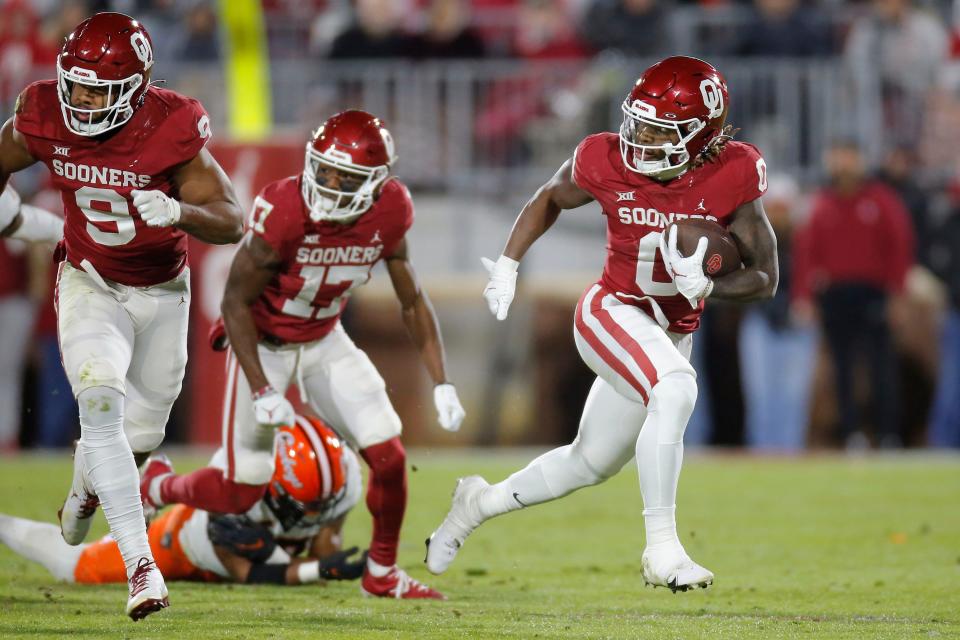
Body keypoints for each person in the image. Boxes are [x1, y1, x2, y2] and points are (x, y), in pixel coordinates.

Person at [426, 56, 777, 592]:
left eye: (661, 131)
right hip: (611, 311)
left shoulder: (733, 170)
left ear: (702, 134)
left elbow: (766, 277)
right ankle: (663, 549)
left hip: (670, 332)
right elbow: (550, 198)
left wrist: (710, 286)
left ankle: (475, 503)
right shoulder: (604, 156)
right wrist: (507, 263)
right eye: (639, 123)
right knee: (677, 388)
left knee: (587, 464)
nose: (642, 139)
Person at [140, 109, 465, 600]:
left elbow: (412, 299)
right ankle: (159, 487)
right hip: (264, 342)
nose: (328, 184)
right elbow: (234, 303)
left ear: (376, 184)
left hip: (324, 339)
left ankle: (382, 572)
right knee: (242, 488)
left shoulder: (391, 209)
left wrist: (441, 380)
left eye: (344, 177)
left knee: (389, 456)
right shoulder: (285, 207)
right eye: (324, 170)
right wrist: (262, 388)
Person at [0, 12, 244, 620]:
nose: (80, 99)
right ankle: (141, 566)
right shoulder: (42, 112)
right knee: (101, 400)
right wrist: (12, 217)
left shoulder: (170, 124)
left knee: (139, 438)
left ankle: (86, 488)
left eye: (96, 89)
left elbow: (233, 219)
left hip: (165, 293)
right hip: (89, 281)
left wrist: (179, 213)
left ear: (135, 88)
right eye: (73, 84)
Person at [0, 415, 368, 587]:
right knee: (76, 567)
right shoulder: (231, 500)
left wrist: (323, 562)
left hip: (257, 533)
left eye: (324, 501)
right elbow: (252, 573)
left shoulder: (343, 478)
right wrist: (315, 570)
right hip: (184, 540)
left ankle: (154, 477)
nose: (317, 512)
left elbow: (325, 543)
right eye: (307, 504)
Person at [791, 141, 914, 448]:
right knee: (841, 369)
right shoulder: (821, 203)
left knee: (880, 366)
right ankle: (850, 434)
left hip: (872, 292)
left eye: (847, 158)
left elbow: (899, 247)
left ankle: (888, 434)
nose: (842, 165)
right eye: (837, 158)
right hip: (834, 295)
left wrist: (898, 294)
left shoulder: (881, 200)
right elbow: (807, 252)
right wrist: (804, 296)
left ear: (859, 161)